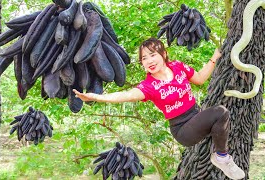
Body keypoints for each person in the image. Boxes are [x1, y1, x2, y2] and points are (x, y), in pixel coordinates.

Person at [73, 37, 245, 179]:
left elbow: (199, 79)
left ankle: (219, 148)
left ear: (163, 54)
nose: (148, 61)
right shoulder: (149, 86)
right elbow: (124, 96)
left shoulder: (177, 67)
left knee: (221, 116)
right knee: (220, 111)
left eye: (152, 55)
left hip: (197, 117)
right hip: (183, 130)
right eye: (144, 59)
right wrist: (96, 97)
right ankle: (222, 158)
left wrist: (214, 58)